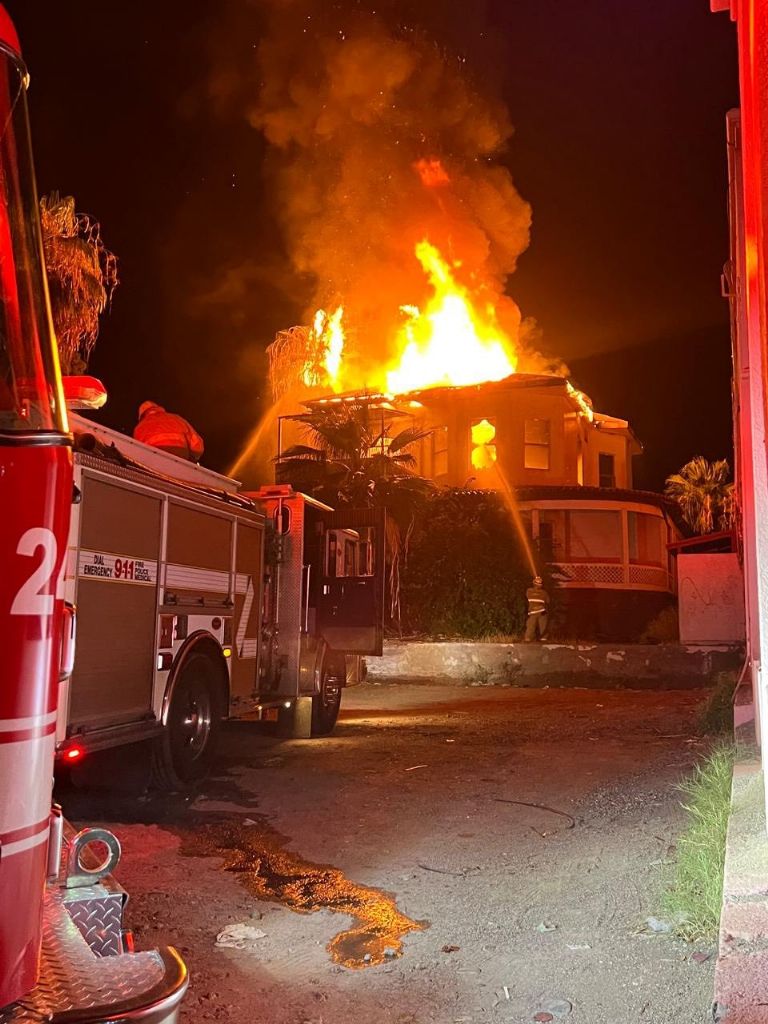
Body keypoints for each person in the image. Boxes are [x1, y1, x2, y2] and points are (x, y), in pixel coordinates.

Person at [133, 401, 204, 462]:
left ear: (142, 416)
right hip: (181, 461)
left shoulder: (139, 428)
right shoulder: (176, 418)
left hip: (153, 465)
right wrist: (192, 459)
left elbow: (138, 455)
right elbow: (198, 446)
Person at [524, 575, 549, 641]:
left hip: (532, 612)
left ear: (533, 583)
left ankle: (528, 638)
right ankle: (543, 638)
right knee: (543, 626)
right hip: (542, 611)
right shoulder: (544, 592)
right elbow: (548, 601)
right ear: (541, 585)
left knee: (530, 626)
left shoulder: (528, 591)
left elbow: (527, 597)